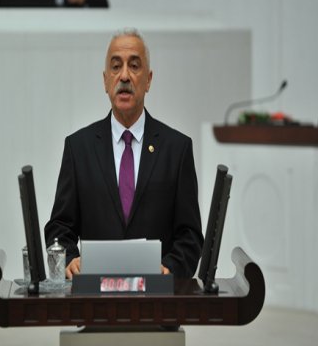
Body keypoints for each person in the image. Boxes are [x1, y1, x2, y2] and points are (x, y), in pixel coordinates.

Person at [44, 28, 203, 279]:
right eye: (116, 66)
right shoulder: (79, 148)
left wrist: (170, 268)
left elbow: (190, 235)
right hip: (95, 296)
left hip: (156, 297)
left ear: (148, 80)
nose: (125, 76)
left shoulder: (177, 149)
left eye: (135, 66)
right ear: (105, 80)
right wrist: (70, 259)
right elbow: (60, 227)